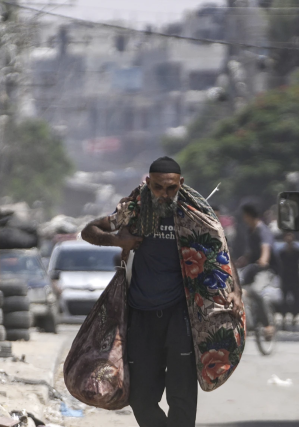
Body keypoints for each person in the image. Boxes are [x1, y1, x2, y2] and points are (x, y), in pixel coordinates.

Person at [81, 156, 243, 427]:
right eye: (158, 188)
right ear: (148, 183)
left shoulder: (196, 216)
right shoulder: (133, 211)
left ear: (181, 183)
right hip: (140, 316)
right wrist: (118, 240)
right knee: (140, 398)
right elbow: (89, 230)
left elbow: (221, 252)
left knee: (182, 398)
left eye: (170, 188)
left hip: (180, 316)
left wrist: (236, 291)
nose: (165, 194)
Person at [235, 203, 275, 334]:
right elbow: (251, 251)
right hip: (252, 269)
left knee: (257, 292)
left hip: (265, 269)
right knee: (238, 288)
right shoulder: (249, 231)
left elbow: (266, 246)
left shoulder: (262, 230)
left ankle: (268, 324)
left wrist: (264, 259)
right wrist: (243, 259)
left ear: (248, 216)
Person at [278, 232, 299, 328]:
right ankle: (284, 316)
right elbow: (279, 266)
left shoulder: (297, 252)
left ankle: (295, 316)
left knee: (296, 298)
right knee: (284, 299)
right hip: (285, 277)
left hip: (295, 277)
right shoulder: (282, 253)